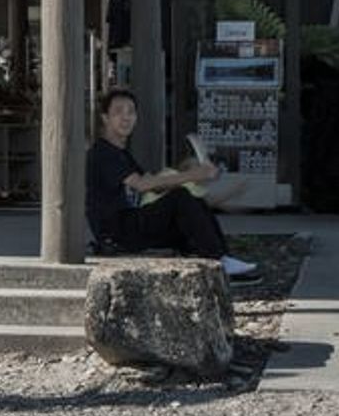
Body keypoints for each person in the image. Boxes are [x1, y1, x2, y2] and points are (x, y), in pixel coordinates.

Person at [86, 87, 256, 279]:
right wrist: (192, 174)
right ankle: (220, 261)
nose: (126, 118)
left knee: (193, 204)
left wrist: (190, 174)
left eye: (131, 112)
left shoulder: (121, 153)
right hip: (116, 233)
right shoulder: (103, 153)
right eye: (118, 112)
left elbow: (155, 184)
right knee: (180, 198)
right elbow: (142, 185)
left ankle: (223, 261)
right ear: (105, 118)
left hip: (131, 225)